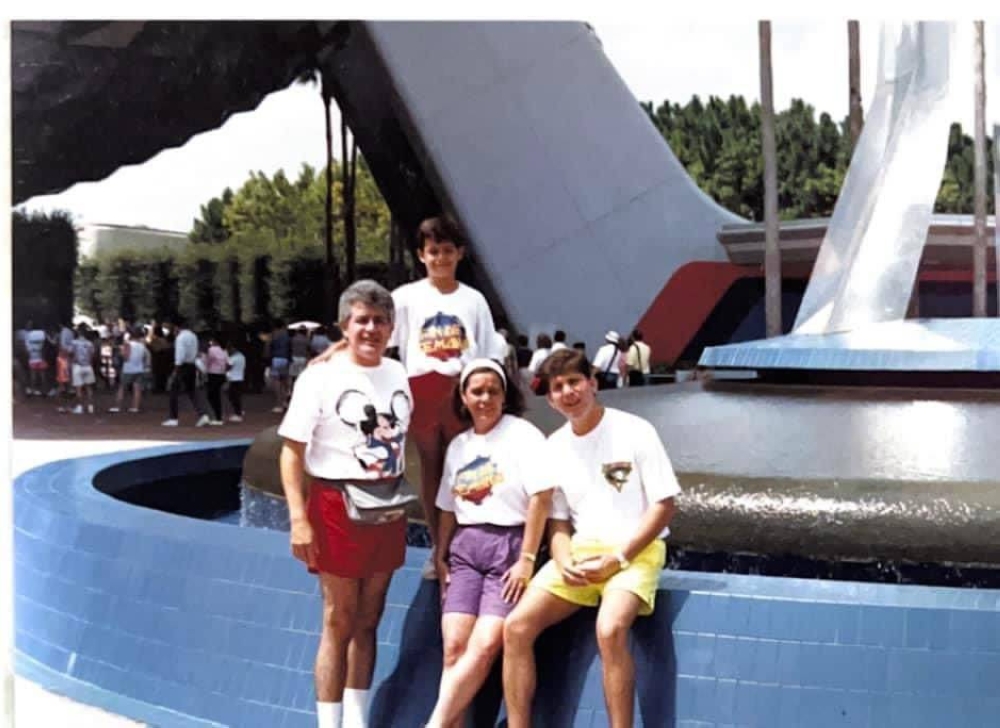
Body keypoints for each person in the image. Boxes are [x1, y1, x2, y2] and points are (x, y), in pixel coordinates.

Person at [502, 348, 680, 728]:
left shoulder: (635, 430)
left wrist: (618, 558)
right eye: (558, 387)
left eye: (575, 381)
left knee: (610, 628)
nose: (568, 392)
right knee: (515, 628)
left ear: (593, 384)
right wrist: (563, 560)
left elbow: (664, 506)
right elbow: (560, 523)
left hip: (637, 551)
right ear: (550, 399)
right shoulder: (554, 447)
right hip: (582, 554)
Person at [278, 280, 412, 728]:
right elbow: (291, 452)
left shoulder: (397, 373)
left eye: (379, 321)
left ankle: (357, 721)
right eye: (361, 321)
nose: (371, 329)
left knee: (370, 618)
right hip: (337, 504)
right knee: (339, 617)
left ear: (391, 327)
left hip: (388, 503)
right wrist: (299, 519)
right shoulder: (320, 376)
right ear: (344, 326)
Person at [426, 359, 554, 728]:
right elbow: (448, 507)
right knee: (454, 649)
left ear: (505, 394)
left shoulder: (523, 434)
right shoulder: (459, 445)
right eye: (476, 391)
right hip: (466, 551)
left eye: (492, 391)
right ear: (463, 397)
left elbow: (541, 499)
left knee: (484, 646)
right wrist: (441, 552)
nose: (485, 398)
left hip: (508, 548)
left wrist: (527, 558)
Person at [162, 317, 211, 427]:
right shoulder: (193, 336)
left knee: (173, 391)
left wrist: (175, 370)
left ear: (176, 327)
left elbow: (180, 355)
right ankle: (203, 415)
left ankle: (173, 418)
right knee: (192, 391)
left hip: (182, 366)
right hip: (192, 365)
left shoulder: (180, 337)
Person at [110, 326, 150, 413]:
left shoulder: (128, 344)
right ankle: (135, 407)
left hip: (128, 368)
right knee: (137, 388)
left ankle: (117, 406)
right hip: (139, 368)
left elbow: (126, 357)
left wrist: (121, 352)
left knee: (122, 387)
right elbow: (144, 357)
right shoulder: (142, 345)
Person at [70, 324, 97, 414]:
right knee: (89, 387)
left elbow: (71, 353)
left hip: (78, 366)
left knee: (79, 388)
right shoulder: (90, 343)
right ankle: (90, 407)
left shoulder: (74, 342)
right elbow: (92, 355)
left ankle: (80, 407)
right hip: (88, 366)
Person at [269, 319, 292, 413]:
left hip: (276, 358)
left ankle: (279, 404)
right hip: (285, 358)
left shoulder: (274, 334)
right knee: (284, 381)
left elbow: (270, 346)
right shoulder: (287, 334)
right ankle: (285, 401)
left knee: (276, 382)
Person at [204, 335, 228, 425]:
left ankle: (216, 417)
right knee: (216, 396)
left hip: (213, 374)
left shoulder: (212, 349)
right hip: (221, 374)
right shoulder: (224, 350)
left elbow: (208, 361)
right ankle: (218, 416)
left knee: (211, 396)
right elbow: (227, 362)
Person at [226, 340, 246, 422]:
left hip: (233, 379)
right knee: (236, 396)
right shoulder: (242, 356)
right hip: (240, 378)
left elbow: (227, 367)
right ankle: (239, 411)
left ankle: (238, 414)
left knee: (233, 397)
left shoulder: (233, 358)